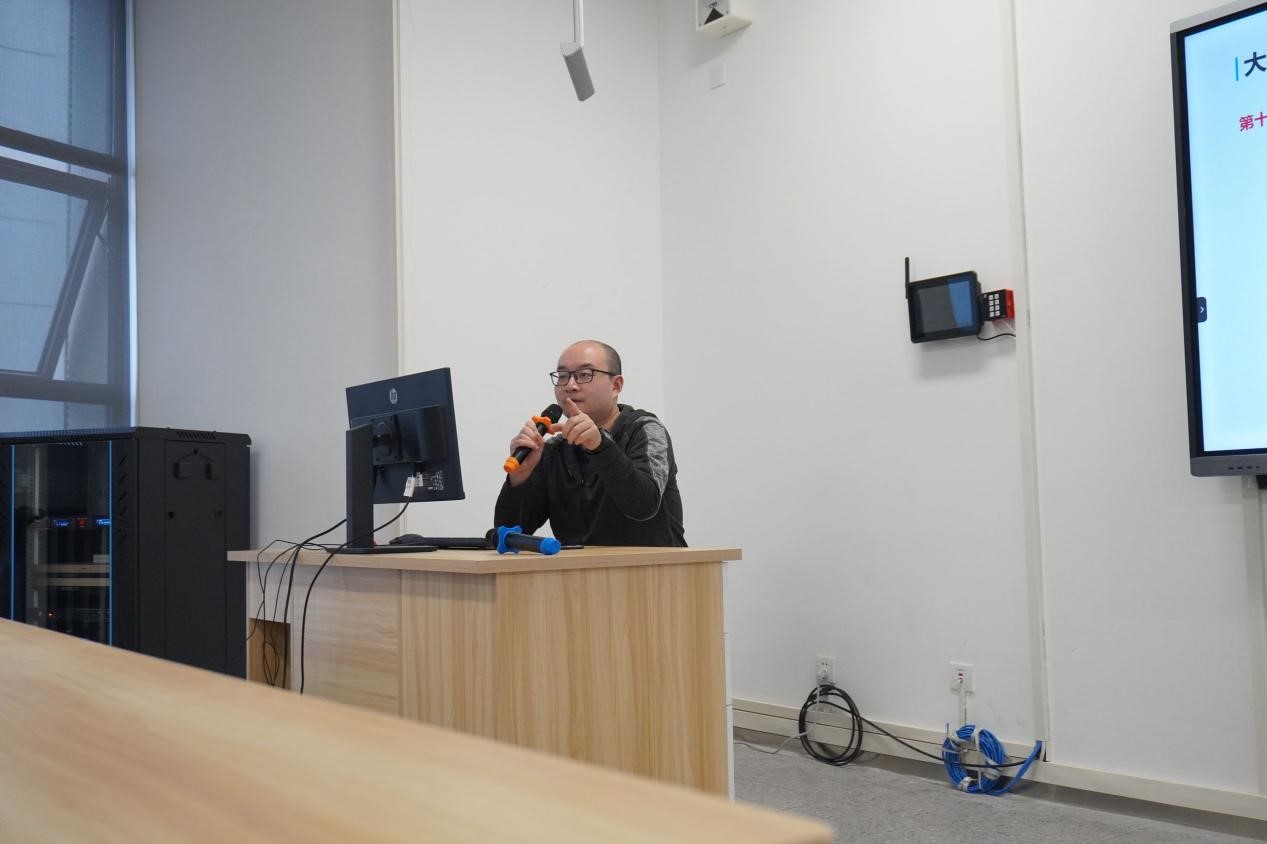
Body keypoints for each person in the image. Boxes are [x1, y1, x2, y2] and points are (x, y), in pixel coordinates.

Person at [494, 340, 686, 547]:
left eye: (585, 375)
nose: (570, 385)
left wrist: (599, 445)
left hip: (655, 566)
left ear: (616, 386)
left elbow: (643, 505)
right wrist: (520, 478)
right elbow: (508, 535)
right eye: (563, 376)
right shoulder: (554, 450)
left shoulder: (644, 430)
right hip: (581, 567)